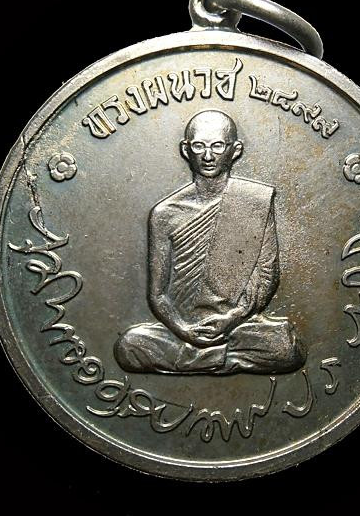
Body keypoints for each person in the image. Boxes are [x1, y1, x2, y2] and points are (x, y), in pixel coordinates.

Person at [115, 109, 306, 374]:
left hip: (237, 325)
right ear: (186, 150)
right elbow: (157, 295)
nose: (208, 156)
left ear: (235, 150)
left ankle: (197, 359)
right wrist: (184, 330)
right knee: (129, 346)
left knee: (286, 347)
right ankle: (220, 359)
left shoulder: (253, 201)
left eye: (217, 146)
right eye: (199, 146)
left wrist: (231, 319)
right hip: (182, 328)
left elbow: (266, 277)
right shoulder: (165, 214)